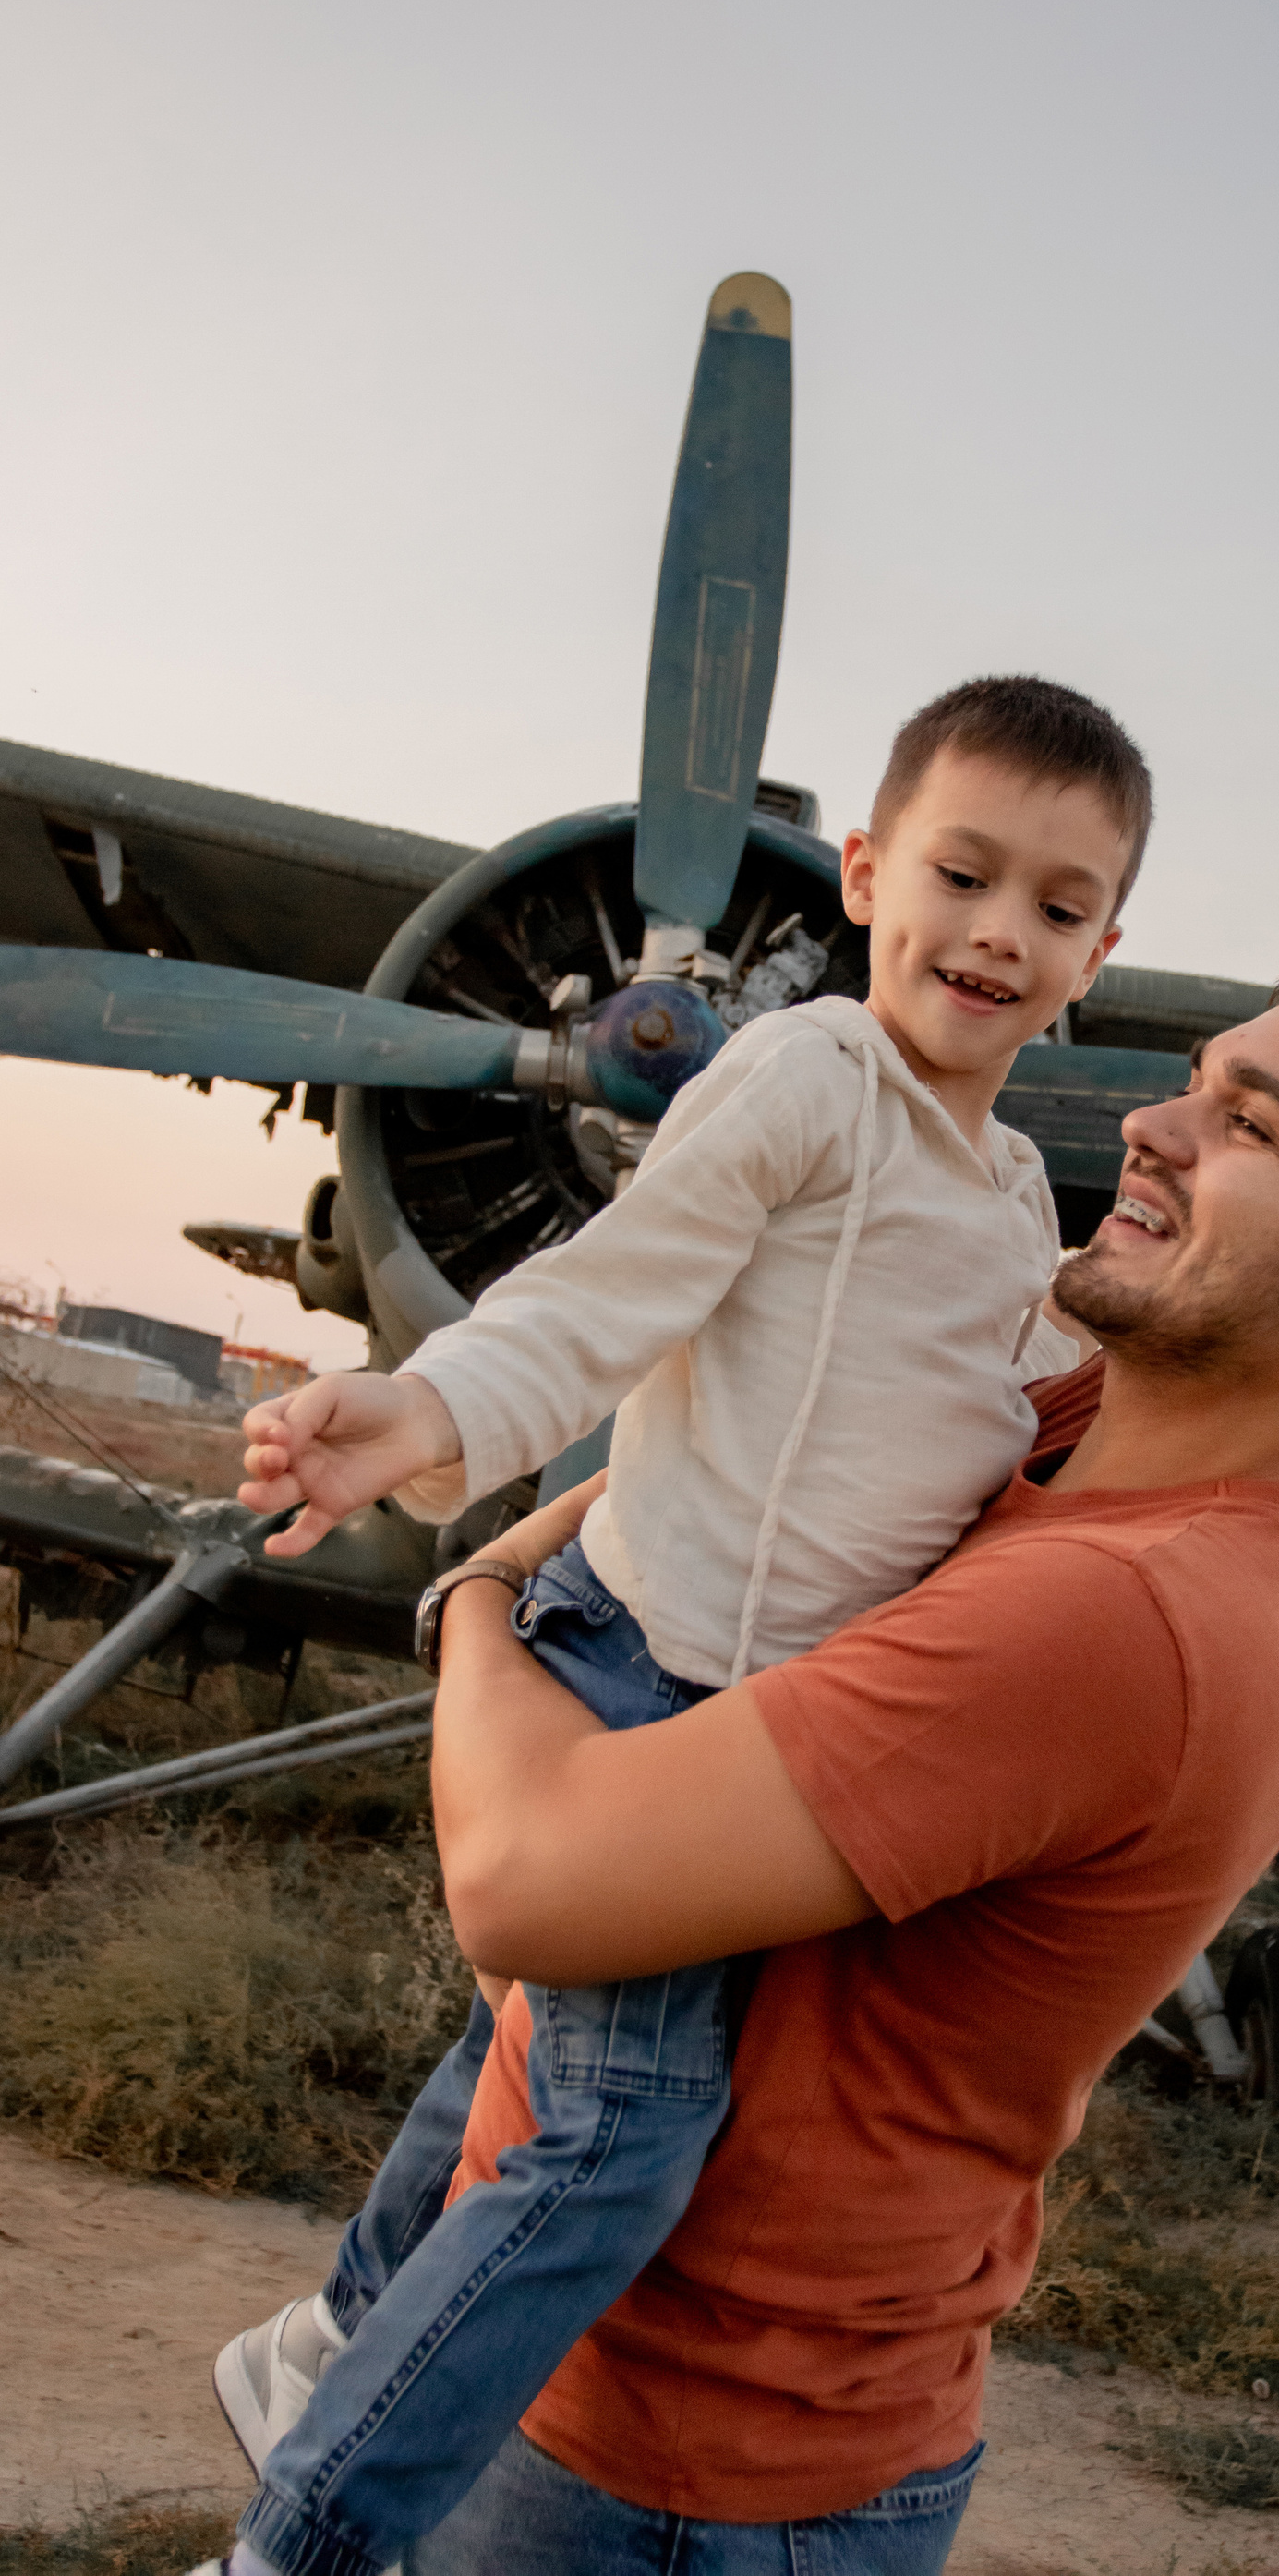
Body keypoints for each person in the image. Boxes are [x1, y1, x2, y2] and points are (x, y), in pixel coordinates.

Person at [393, 948, 1279, 2573]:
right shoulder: (1062, 1433)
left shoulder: (1122, 1613)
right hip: (612, 2385)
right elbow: (763, 1455)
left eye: (1252, 1126)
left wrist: (478, 1589)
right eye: (1194, 1083)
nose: (1152, 1125)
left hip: (667, 2476)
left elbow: (528, 1882)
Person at [207, 678, 1150, 2576]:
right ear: (866, 875)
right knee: (612, 2146)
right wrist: (431, 1407)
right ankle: (300, 2544)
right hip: (653, 1672)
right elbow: (612, 1291)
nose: (998, 932)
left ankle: (333, 2332)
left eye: (1058, 907)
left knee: (534, 2041)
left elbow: (984, 1411)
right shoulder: (806, 1075)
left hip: (771, 1722)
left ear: (1100, 955)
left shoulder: (1006, 1195)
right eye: (962, 875)